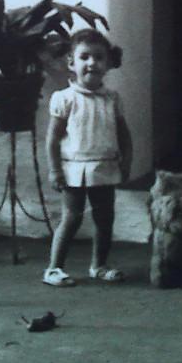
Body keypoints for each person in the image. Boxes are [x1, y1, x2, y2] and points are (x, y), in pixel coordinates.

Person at [42, 29, 133, 287]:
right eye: (84, 57)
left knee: (105, 218)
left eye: (99, 57)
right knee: (72, 217)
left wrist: (126, 162)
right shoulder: (65, 99)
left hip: (104, 166)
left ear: (108, 63)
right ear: (72, 62)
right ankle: (54, 268)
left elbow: (125, 136)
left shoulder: (112, 100)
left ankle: (99, 265)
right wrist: (54, 170)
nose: (92, 62)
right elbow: (53, 139)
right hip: (74, 169)